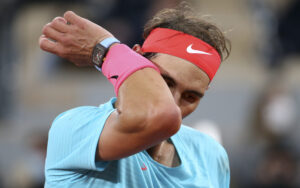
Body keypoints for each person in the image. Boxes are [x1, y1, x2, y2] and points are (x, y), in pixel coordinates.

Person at [39, 3, 231, 188]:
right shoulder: (74, 128)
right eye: (165, 82)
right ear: (136, 59)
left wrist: (107, 49)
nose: (173, 102)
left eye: (190, 97)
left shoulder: (211, 155)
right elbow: (160, 115)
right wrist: (106, 50)